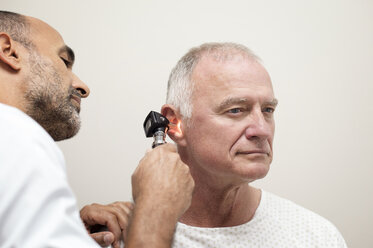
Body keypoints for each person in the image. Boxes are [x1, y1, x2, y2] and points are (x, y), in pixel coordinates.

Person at [84, 42, 348, 247]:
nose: (261, 129)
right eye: (235, 110)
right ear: (175, 123)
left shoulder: (316, 237)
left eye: (267, 110)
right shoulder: (112, 233)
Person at [0, 10, 194, 248]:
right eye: (64, 62)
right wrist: (157, 207)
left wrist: (69, 231)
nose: (83, 87)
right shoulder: (15, 132)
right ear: (8, 50)